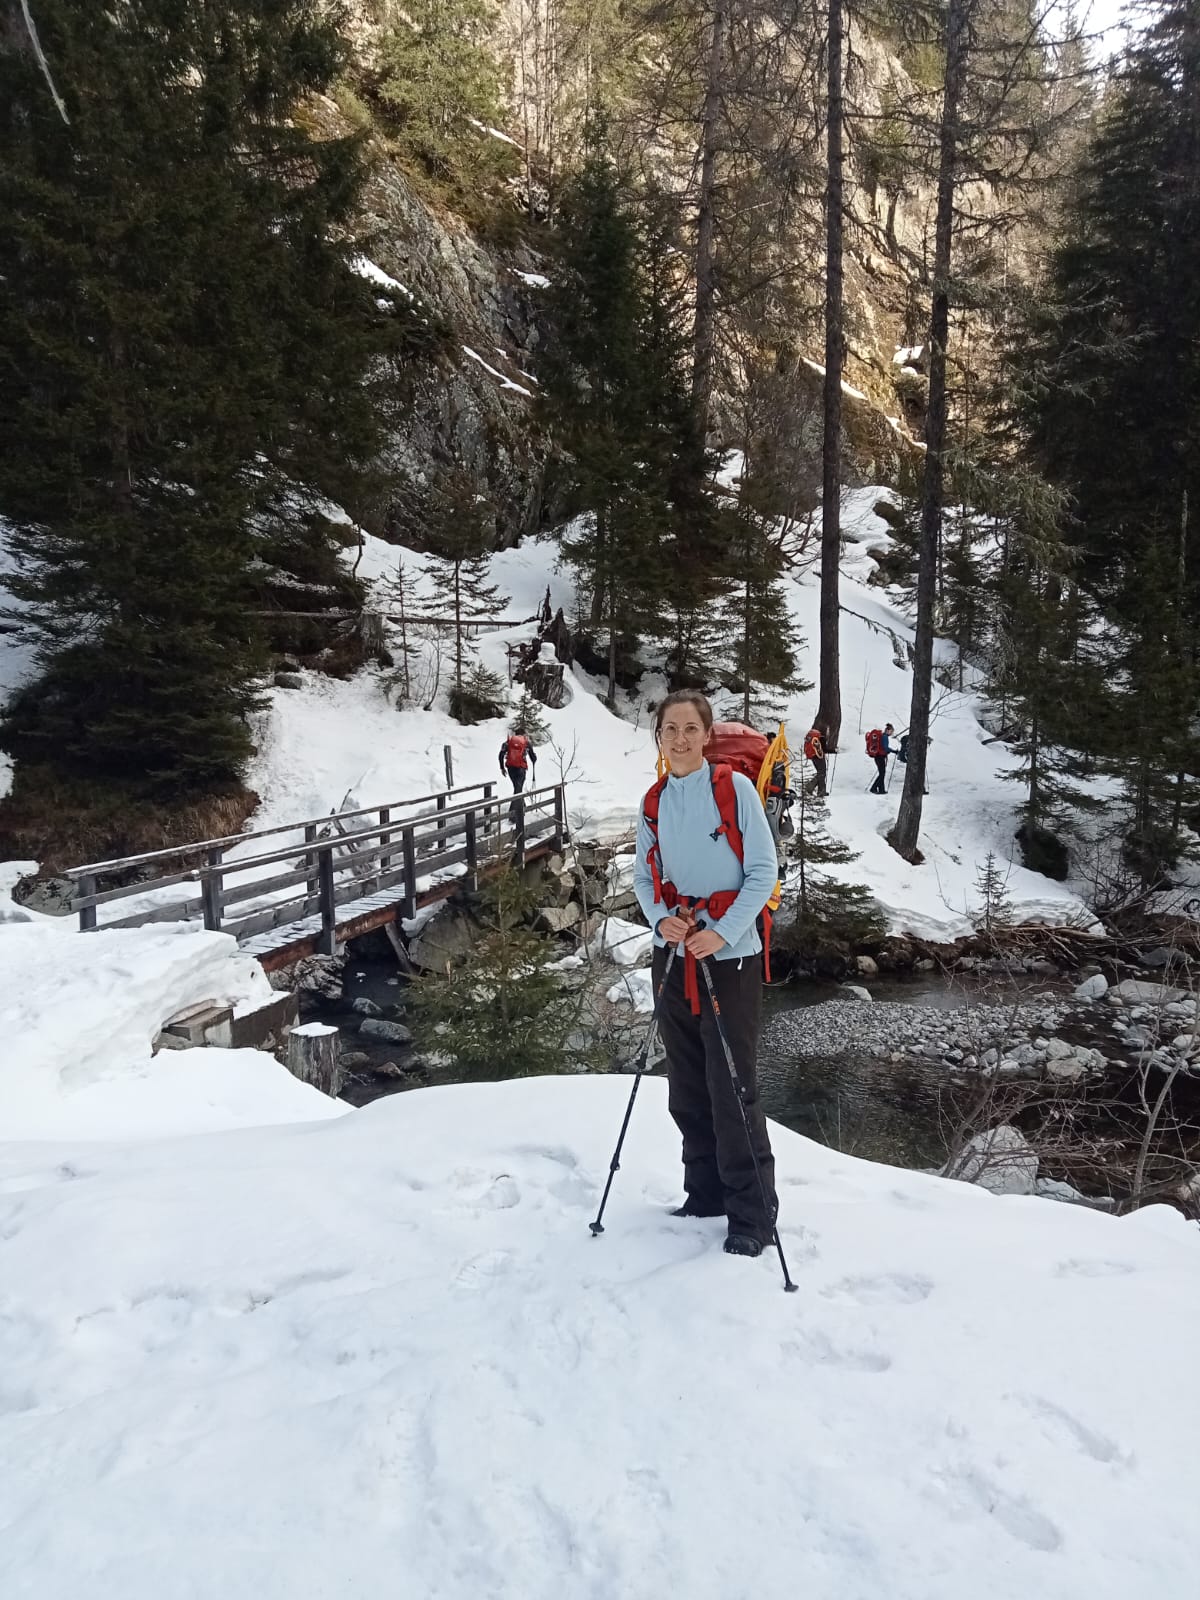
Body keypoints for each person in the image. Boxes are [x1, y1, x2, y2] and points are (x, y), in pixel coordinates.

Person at [633, 690, 780, 1260]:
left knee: (732, 1087)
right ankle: (705, 1194)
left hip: (730, 955)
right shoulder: (653, 801)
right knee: (687, 1084)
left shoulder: (734, 789)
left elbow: (763, 871)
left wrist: (722, 932)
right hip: (673, 954)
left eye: (690, 728)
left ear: (707, 734)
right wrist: (660, 919)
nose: (680, 739)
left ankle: (752, 1216)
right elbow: (644, 877)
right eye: (670, 729)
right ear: (659, 737)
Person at [499, 728, 536, 793]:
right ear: (523, 734)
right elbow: (533, 757)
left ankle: (519, 799)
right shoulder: (526, 742)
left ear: (515, 734)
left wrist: (502, 768)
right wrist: (534, 758)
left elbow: (501, 755)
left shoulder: (508, 742)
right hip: (521, 768)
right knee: (518, 788)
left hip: (511, 768)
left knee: (517, 787)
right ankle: (517, 799)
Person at [868, 722, 897, 793]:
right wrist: (894, 751)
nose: (891, 733)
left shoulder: (882, 736)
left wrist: (887, 751)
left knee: (882, 773)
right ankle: (874, 788)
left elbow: (883, 747)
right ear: (888, 730)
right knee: (882, 773)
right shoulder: (885, 737)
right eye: (891, 731)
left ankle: (881, 789)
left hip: (878, 756)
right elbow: (885, 747)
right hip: (880, 757)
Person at [803, 719, 828, 797]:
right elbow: (824, 749)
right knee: (822, 773)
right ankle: (811, 787)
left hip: (813, 757)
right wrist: (834, 750)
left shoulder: (813, 735)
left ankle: (821, 791)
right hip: (819, 757)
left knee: (820, 773)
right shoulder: (821, 737)